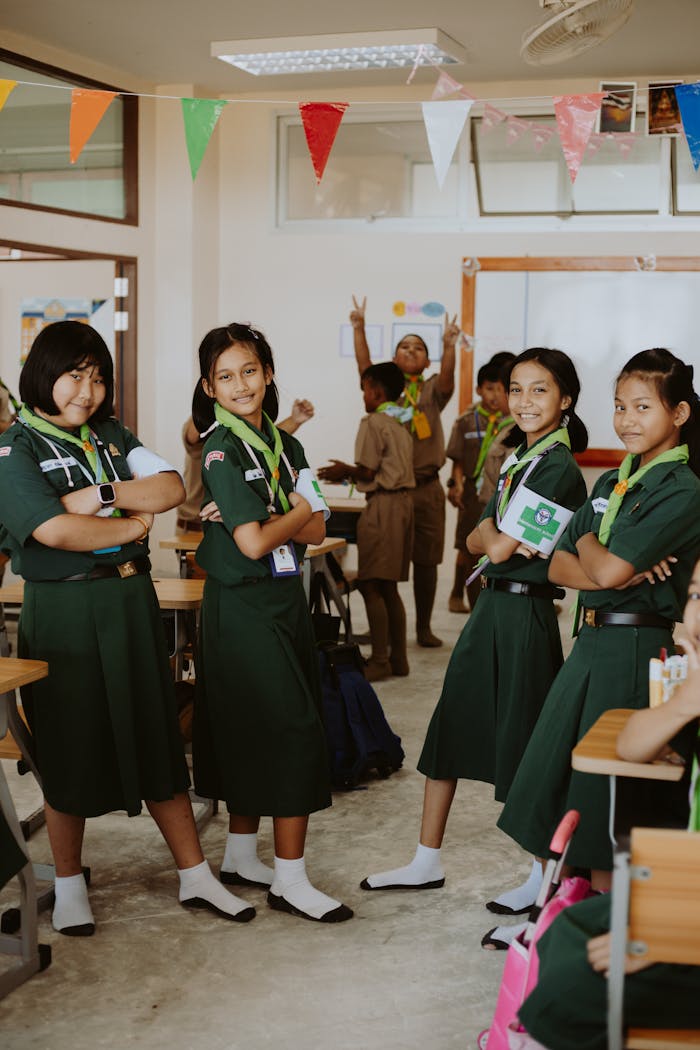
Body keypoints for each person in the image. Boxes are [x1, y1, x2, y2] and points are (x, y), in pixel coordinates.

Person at [0, 320, 254, 936]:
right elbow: (53, 532)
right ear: (42, 372)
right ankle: (67, 886)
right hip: (63, 609)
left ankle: (195, 875)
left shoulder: (111, 434)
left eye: (96, 377)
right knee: (69, 743)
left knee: (156, 732)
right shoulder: (16, 449)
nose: (86, 390)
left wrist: (103, 494)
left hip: (128, 603)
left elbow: (167, 487)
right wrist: (131, 527)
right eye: (73, 375)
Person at [361, 348, 588, 897]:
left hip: (525, 614)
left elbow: (501, 546)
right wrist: (493, 538)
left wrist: (494, 538)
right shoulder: (521, 457)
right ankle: (425, 860)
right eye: (517, 389)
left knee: (526, 744)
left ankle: (544, 877)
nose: (524, 401)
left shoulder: (557, 466)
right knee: (450, 726)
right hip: (491, 607)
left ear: (566, 400)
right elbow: (473, 538)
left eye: (539, 390)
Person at [498, 348, 700, 907]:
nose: (627, 419)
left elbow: (596, 564)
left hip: (639, 646)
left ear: (678, 414)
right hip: (593, 636)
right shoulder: (615, 479)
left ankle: (588, 910)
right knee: (552, 767)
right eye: (619, 406)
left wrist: (592, 546)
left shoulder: (681, 488)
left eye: (642, 407)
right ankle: (555, 896)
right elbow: (558, 566)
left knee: (606, 789)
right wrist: (601, 558)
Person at [190, 322, 353, 924]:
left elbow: (314, 533)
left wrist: (284, 515)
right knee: (287, 732)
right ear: (209, 386)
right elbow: (257, 542)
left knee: (263, 725)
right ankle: (290, 880)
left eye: (250, 371)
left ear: (270, 372)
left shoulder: (287, 447)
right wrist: (298, 509)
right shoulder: (220, 449)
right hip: (243, 606)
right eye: (226, 376)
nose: (241, 385)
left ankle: (239, 856)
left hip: (284, 601)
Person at [516, 558, 700, 1050]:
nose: (699, 615)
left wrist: (668, 939)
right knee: (564, 931)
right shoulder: (694, 692)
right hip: (683, 903)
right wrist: (684, 702)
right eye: (698, 595)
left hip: (689, 926)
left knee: (576, 981)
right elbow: (630, 744)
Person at [348, 295, 458, 647]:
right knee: (383, 563)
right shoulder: (385, 393)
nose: (411, 351)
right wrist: (359, 328)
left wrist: (449, 345)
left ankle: (422, 628)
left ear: (428, 360)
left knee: (426, 561)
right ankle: (383, 631)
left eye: (419, 348)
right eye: (404, 346)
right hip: (391, 490)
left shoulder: (432, 390)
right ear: (394, 358)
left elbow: (449, 379)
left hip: (426, 487)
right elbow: (366, 367)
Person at [318, 361, 415, 681]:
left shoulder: (373, 421)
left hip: (384, 505)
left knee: (371, 583)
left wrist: (344, 470)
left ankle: (380, 660)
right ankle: (398, 660)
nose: (363, 397)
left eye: (364, 390)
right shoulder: (401, 423)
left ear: (375, 390)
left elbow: (369, 471)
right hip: (403, 506)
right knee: (389, 587)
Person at [176, 398, 315, 534]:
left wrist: (294, 420)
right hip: (197, 527)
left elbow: (262, 443)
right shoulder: (206, 435)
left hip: (241, 524)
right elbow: (193, 432)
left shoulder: (245, 439)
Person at [445, 352, 514, 614]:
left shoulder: (512, 422)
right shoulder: (468, 418)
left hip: (499, 491)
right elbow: (460, 458)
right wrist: (456, 483)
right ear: (479, 389)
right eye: (490, 388)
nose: (495, 395)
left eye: (501, 389)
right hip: (474, 490)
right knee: (466, 543)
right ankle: (459, 592)